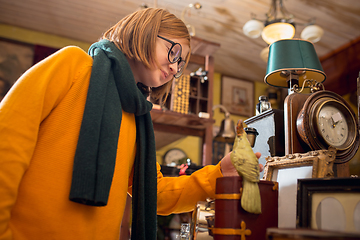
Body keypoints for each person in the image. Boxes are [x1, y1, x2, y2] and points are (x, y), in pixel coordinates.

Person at [0, 7, 261, 240]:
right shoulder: (73, 65)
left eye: (180, 63)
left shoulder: (137, 117)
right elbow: (6, 142)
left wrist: (219, 174)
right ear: (143, 32)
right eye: (174, 52)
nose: (174, 67)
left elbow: (153, 193)